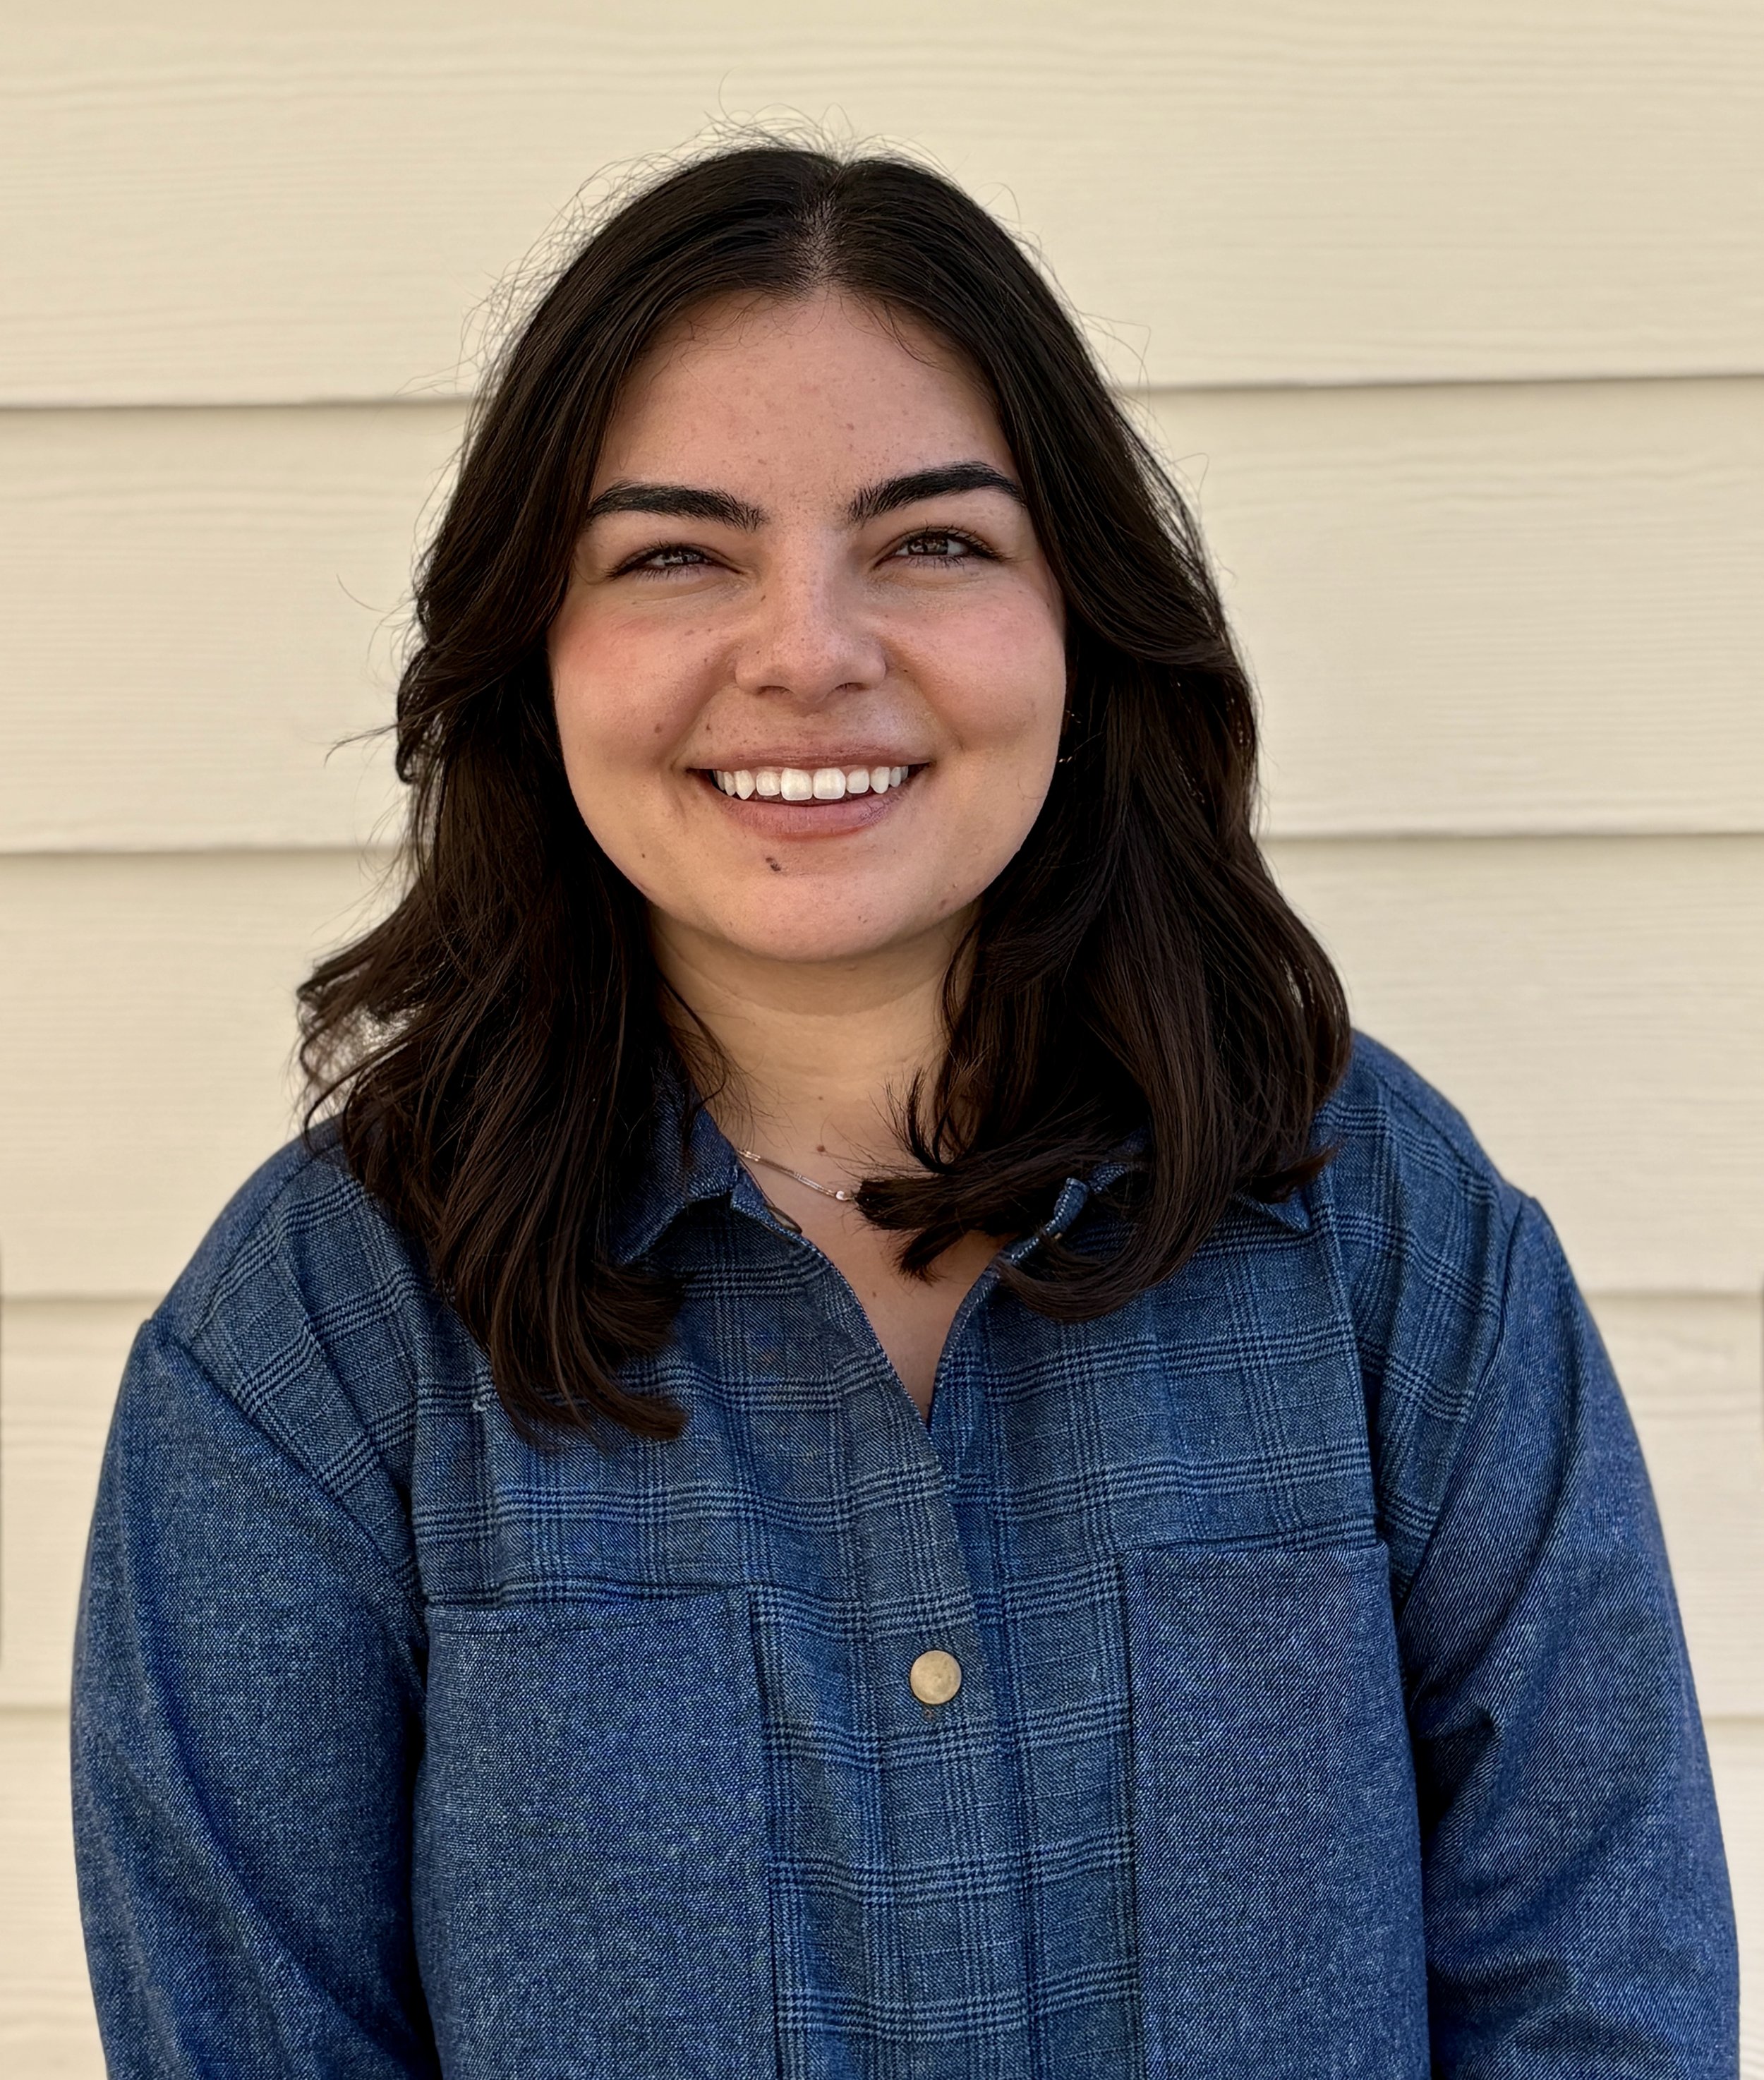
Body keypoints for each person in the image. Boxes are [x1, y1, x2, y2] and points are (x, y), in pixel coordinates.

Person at [72, 143, 1736, 2076]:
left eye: (931, 541)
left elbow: (1600, 2003)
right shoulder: (318, 1344)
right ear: (532, 656)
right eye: (673, 554)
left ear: (1079, 624)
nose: (809, 652)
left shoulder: (1380, 1236)